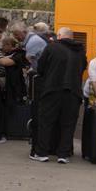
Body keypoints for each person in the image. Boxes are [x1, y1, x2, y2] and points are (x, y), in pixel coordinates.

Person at [31, 27, 88, 164]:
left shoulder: (52, 48)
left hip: (52, 90)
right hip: (73, 92)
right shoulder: (80, 52)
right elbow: (82, 68)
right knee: (68, 124)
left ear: (60, 36)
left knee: (46, 122)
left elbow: (41, 68)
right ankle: (63, 154)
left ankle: (42, 153)